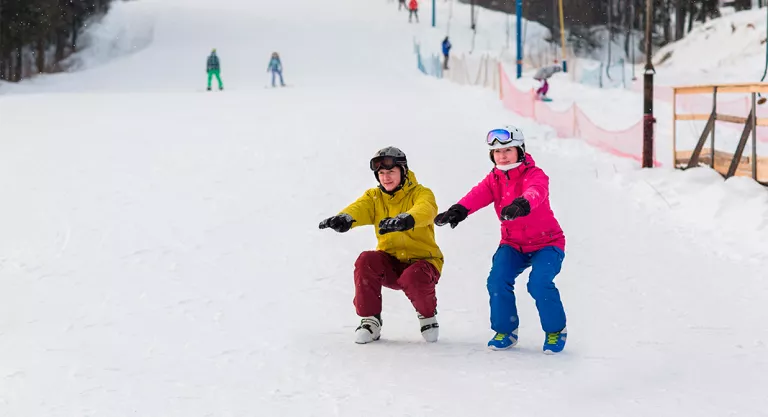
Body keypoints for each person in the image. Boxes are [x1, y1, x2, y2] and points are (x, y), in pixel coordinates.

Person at [433, 126, 568, 354]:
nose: (502, 156)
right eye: (496, 152)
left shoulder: (535, 174)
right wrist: (458, 210)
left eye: (507, 150)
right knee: (497, 280)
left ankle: (556, 330)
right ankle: (505, 330)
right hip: (513, 244)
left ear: (520, 151)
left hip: (548, 243)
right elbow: (477, 195)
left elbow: (536, 191)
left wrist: (521, 204)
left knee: (538, 283)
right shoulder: (495, 178)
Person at [319, 147, 443, 345]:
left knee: (414, 275)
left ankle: (427, 315)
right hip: (391, 263)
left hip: (424, 263)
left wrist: (407, 219)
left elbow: (426, 209)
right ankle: (370, 320)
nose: (386, 178)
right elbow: (359, 208)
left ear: (403, 171)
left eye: (391, 172)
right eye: (381, 173)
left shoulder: (421, 193)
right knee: (366, 260)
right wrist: (345, 218)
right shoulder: (374, 197)